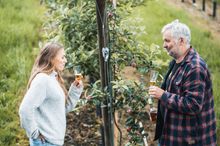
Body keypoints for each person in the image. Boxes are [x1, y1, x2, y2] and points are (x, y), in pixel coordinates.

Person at [149, 20, 217, 146]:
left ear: (181, 41)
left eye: (167, 41)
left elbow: (193, 105)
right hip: (171, 135)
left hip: (190, 140)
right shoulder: (176, 62)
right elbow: (176, 94)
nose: (164, 45)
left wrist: (163, 95)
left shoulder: (194, 67)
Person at [19, 42, 83, 146]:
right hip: (45, 143)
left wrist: (75, 91)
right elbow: (25, 109)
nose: (65, 60)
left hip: (52, 142)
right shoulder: (42, 80)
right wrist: (34, 134)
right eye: (62, 57)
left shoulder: (53, 78)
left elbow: (61, 110)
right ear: (51, 58)